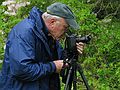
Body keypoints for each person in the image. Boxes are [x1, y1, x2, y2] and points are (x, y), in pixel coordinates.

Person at [0, 2, 84, 90]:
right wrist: (53, 67)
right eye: (65, 27)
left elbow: (60, 59)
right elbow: (21, 70)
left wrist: (72, 51)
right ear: (52, 22)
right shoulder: (24, 33)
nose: (66, 31)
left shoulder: (49, 35)